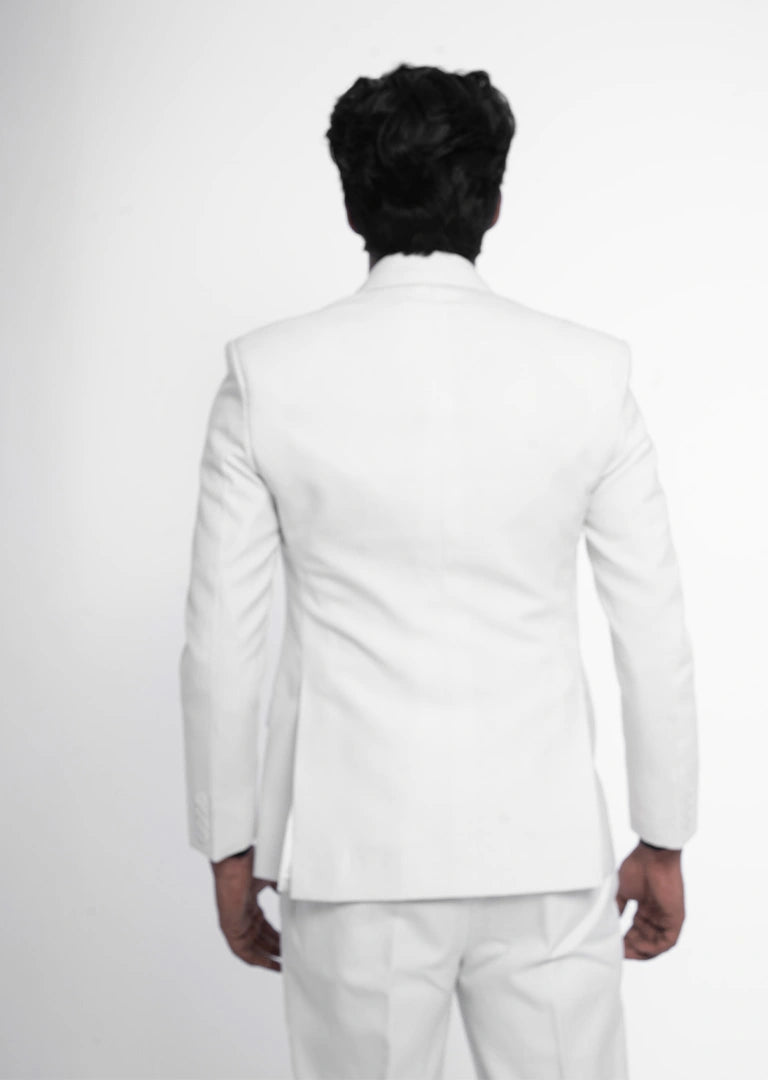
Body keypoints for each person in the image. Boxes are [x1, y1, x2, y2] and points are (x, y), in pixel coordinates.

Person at [179, 61, 698, 1080]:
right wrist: (664, 835)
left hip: (353, 860)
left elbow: (220, 645)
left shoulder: (265, 375)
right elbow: (654, 630)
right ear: (493, 200)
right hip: (547, 854)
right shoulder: (592, 374)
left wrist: (229, 845)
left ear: (352, 204)